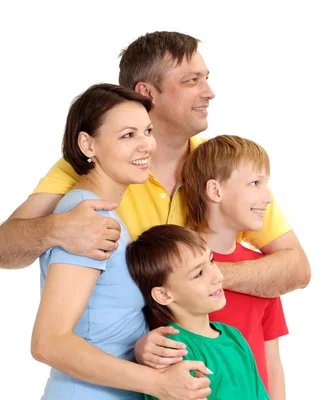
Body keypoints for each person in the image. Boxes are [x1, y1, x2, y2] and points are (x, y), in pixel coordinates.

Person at [0, 31, 310, 366]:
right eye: (192, 80)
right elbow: (4, 248)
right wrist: (54, 230)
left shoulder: (222, 167)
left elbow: (296, 268)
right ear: (146, 94)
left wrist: (193, 276)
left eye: (206, 79)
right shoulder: (91, 165)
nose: (210, 92)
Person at [31, 83, 212, 400]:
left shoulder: (103, 213)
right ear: (88, 144)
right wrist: (158, 383)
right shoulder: (90, 219)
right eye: (128, 135)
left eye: (147, 131)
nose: (146, 146)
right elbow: (49, 342)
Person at [180, 135, 288, 399]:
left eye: (266, 183)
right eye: (255, 183)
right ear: (215, 191)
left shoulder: (263, 272)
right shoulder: (176, 268)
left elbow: (272, 365)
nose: (268, 197)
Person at [127, 225, 269, 400]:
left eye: (211, 261)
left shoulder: (234, 337)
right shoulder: (170, 352)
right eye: (198, 274)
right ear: (163, 295)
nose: (218, 276)